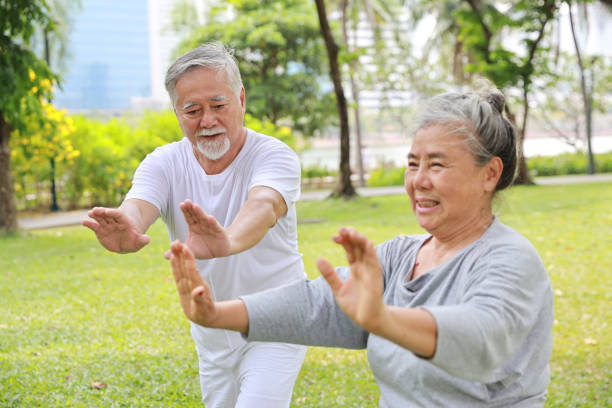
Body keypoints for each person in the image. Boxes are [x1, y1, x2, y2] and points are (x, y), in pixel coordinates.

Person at [168, 87, 554, 407]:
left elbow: (481, 339)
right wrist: (216, 314)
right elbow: (317, 305)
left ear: (490, 174)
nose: (418, 181)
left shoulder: (511, 260)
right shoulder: (401, 256)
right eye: (413, 164)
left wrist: (383, 320)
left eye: (436, 165)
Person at [83, 43, 307, 408]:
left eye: (219, 106)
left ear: (241, 99)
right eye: (193, 110)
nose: (207, 121)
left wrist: (227, 240)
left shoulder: (273, 155)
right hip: (211, 329)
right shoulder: (163, 163)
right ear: (176, 112)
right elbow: (139, 205)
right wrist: (128, 223)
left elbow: (264, 206)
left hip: (277, 320)